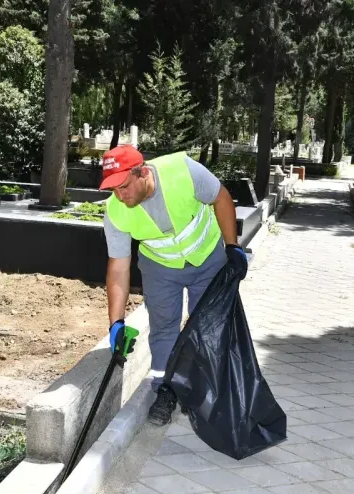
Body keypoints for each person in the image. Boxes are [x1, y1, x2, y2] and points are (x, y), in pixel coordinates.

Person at [99, 145, 247, 426]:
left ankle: (203, 389)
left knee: (207, 325)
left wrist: (232, 247)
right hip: (161, 268)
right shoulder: (115, 212)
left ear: (142, 172)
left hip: (206, 258)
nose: (120, 195)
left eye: (124, 186)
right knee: (164, 325)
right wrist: (115, 323)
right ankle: (166, 390)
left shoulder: (183, 171)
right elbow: (118, 267)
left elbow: (222, 197)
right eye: (113, 189)